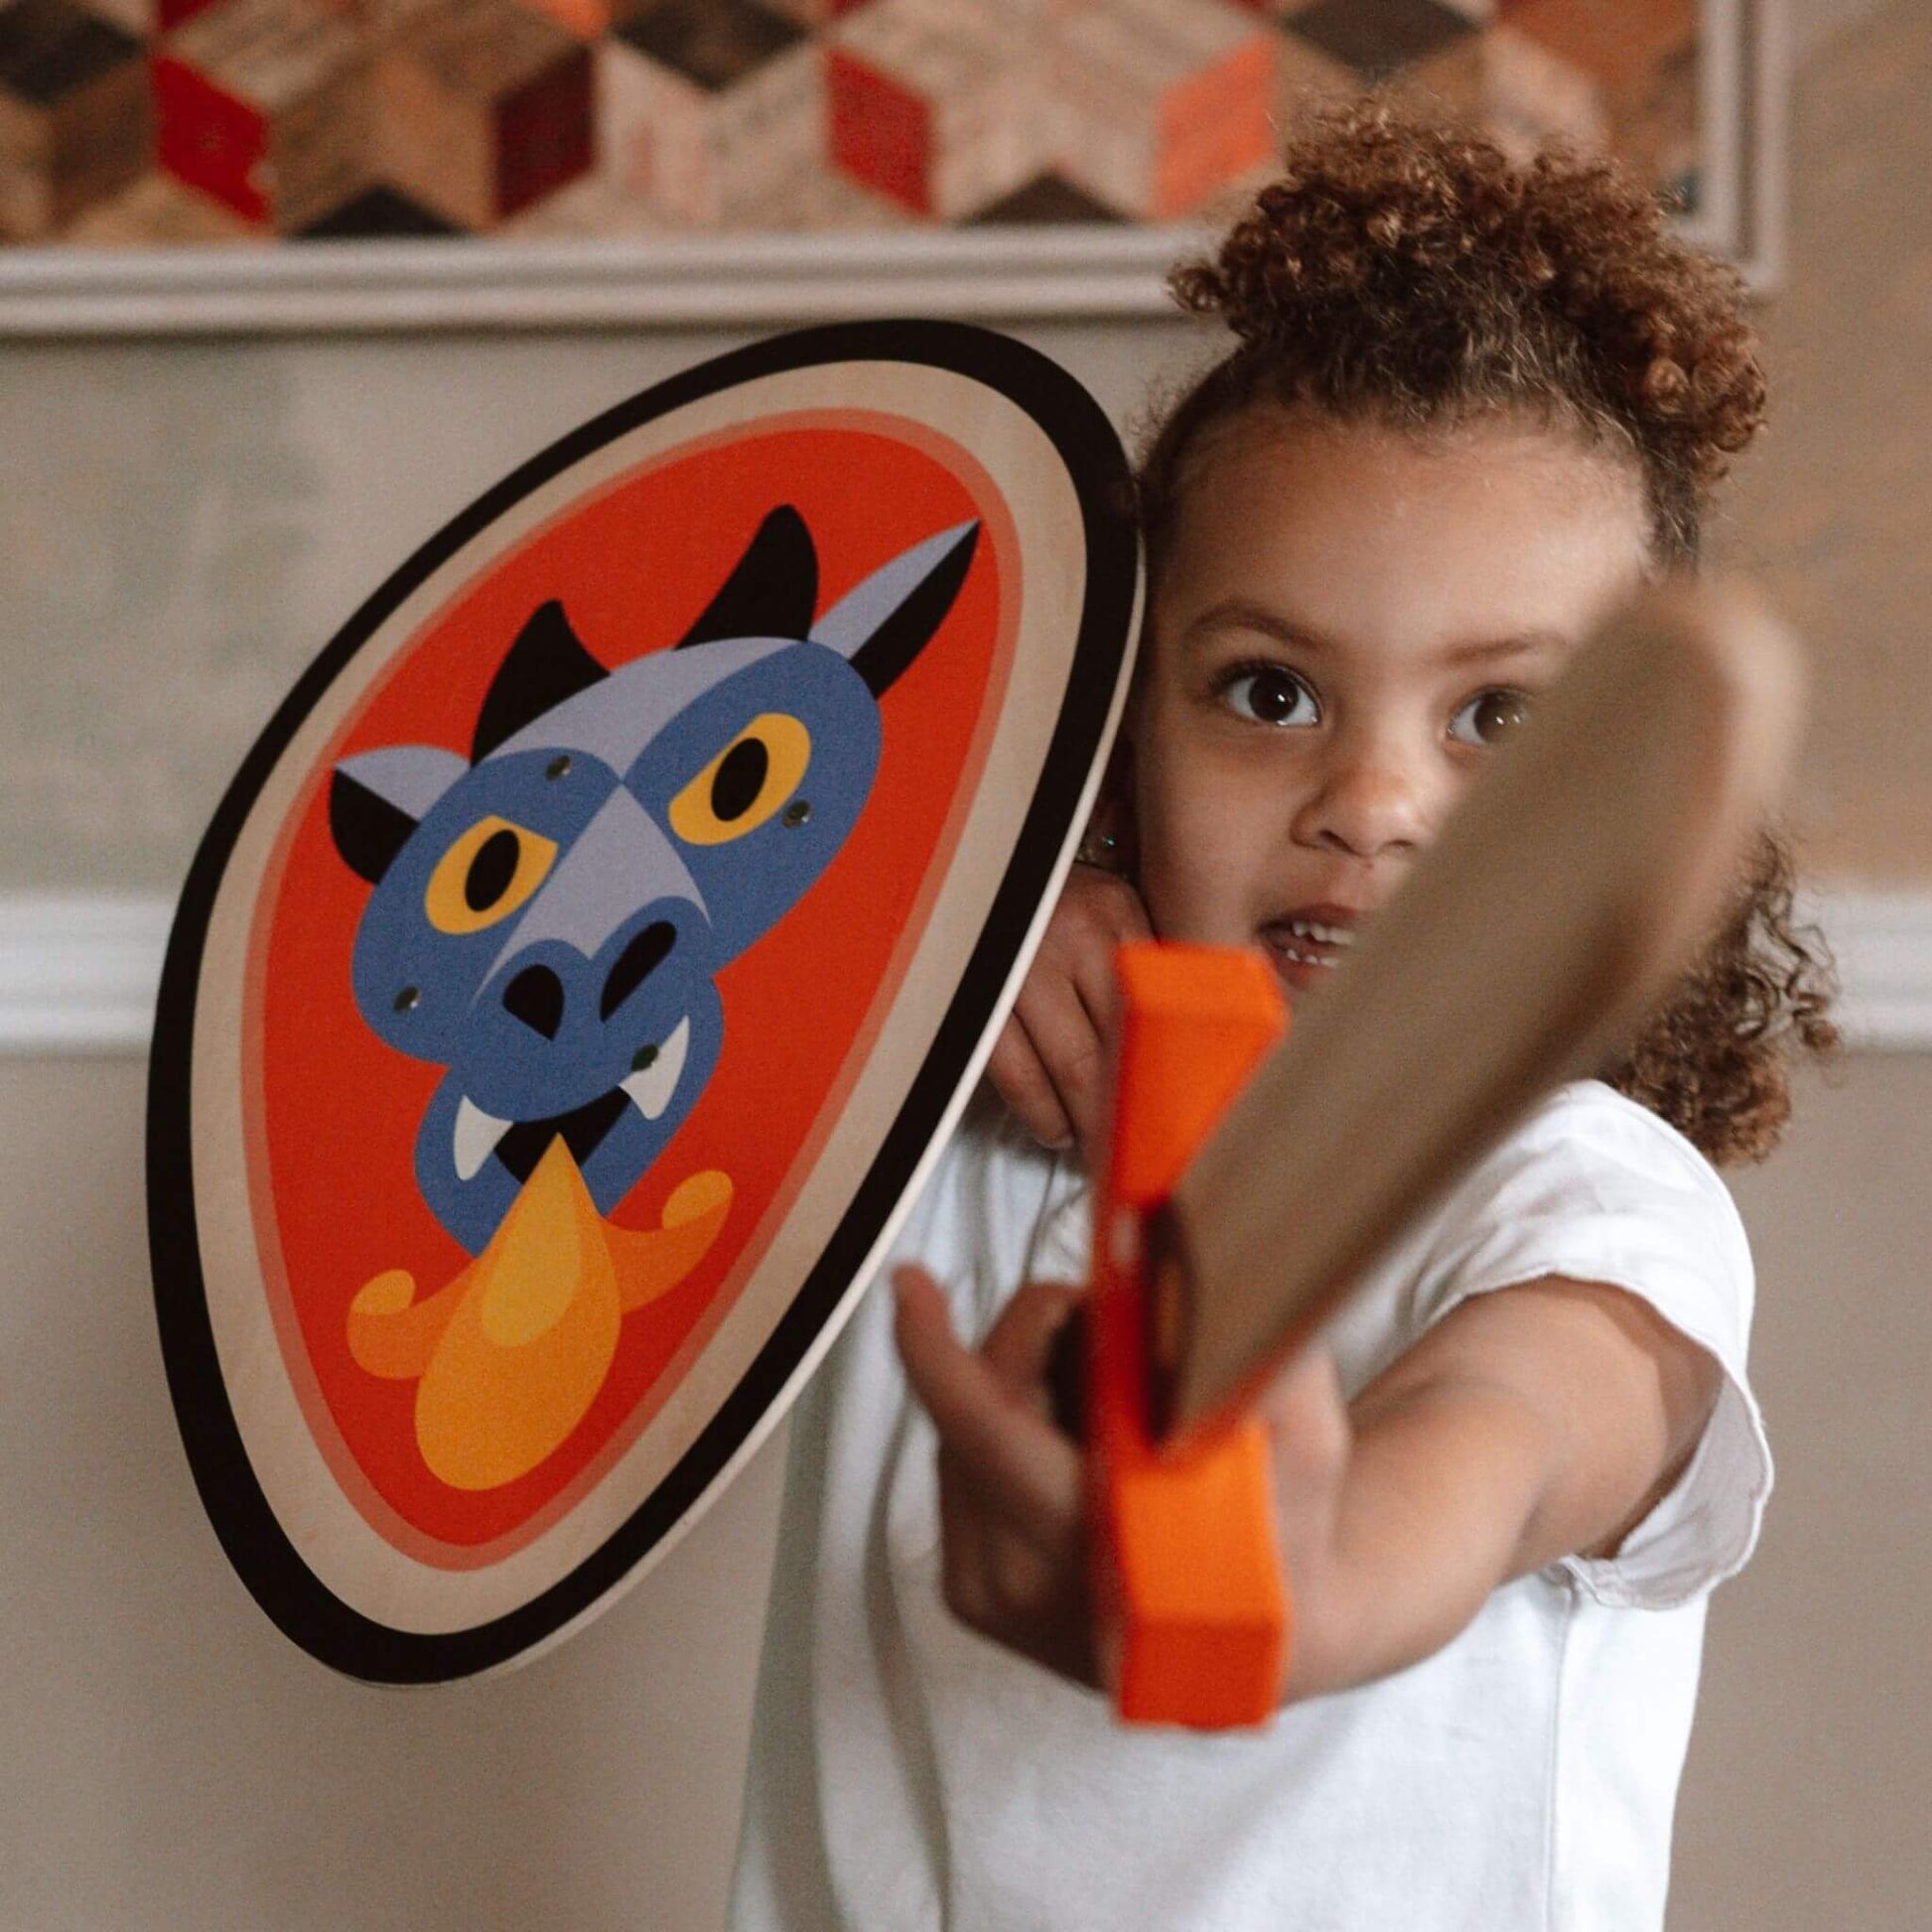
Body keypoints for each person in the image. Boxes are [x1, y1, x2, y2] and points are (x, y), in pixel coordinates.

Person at [729, 102, 1838, 1932]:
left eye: (1498, 721)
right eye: (1265, 688)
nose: (1372, 800)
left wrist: (1313, 1573)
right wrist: (936, 932)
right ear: (1108, 741)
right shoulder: (921, 1130)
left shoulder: (1582, 1200)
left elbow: (1509, 1431)